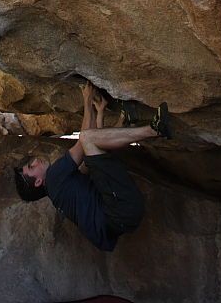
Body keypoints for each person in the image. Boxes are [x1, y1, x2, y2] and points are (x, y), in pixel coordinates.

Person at [14, 82, 171, 251]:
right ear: (38, 182)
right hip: (120, 208)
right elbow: (84, 141)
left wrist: (100, 111)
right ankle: (155, 130)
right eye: (32, 166)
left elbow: (95, 153)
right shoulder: (53, 177)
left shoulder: (61, 192)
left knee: (91, 152)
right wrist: (87, 100)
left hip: (124, 215)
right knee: (87, 138)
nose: (36, 161)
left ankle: (125, 120)